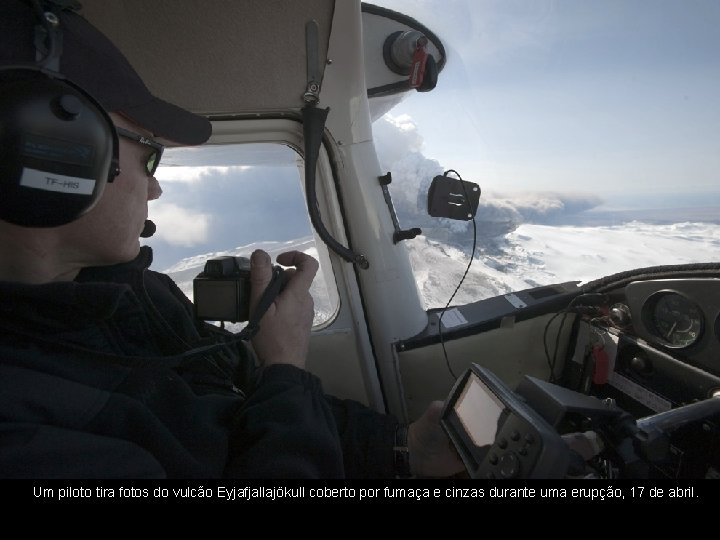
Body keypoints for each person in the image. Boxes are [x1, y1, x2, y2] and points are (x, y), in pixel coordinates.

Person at [0, 0, 464, 479]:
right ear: (57, 154)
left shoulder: (139, 294)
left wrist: (402, 449)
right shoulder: (21, 431)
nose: (156, 188)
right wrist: (284, 364)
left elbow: (246, 411)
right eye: (151, 155)